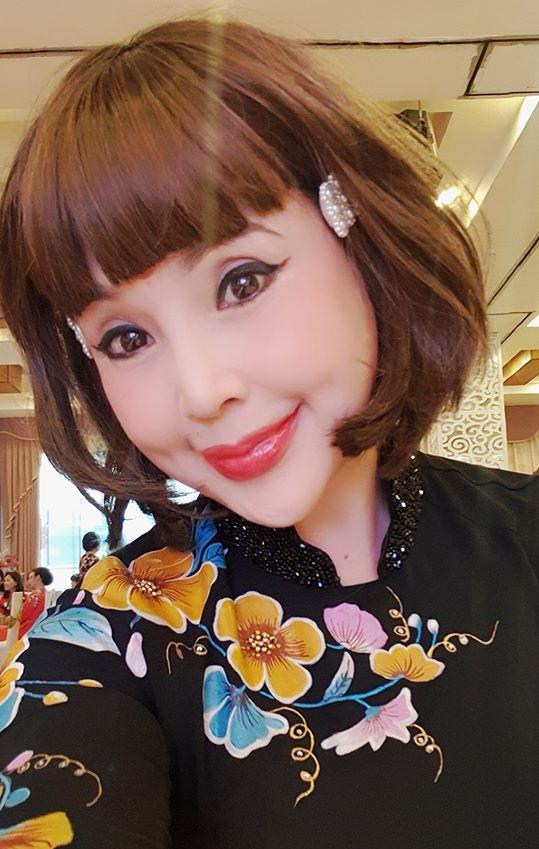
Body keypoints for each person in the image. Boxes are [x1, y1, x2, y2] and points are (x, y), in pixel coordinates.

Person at [0, 18, 536, 849]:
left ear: (359, 235)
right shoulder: (99, 640)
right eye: (126, 338)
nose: (201, 391)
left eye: (241, 281)